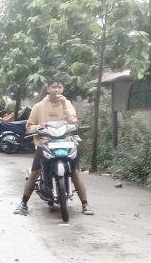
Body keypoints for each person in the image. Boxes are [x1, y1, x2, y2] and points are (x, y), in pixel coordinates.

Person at [14, 79, 94, 216]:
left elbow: (73, 121)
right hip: (44, 143)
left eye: (60, 87)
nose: (57, 90)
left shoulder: (67, 103)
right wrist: (38, 127)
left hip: (66, 142)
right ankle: (23, 203)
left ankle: (85, 204)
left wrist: (64, 105)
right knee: (35, 172)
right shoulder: (39, 106)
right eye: (54, 87)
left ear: (62, 89)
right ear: (48, 89)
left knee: (75, 172)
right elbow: (29, 126)